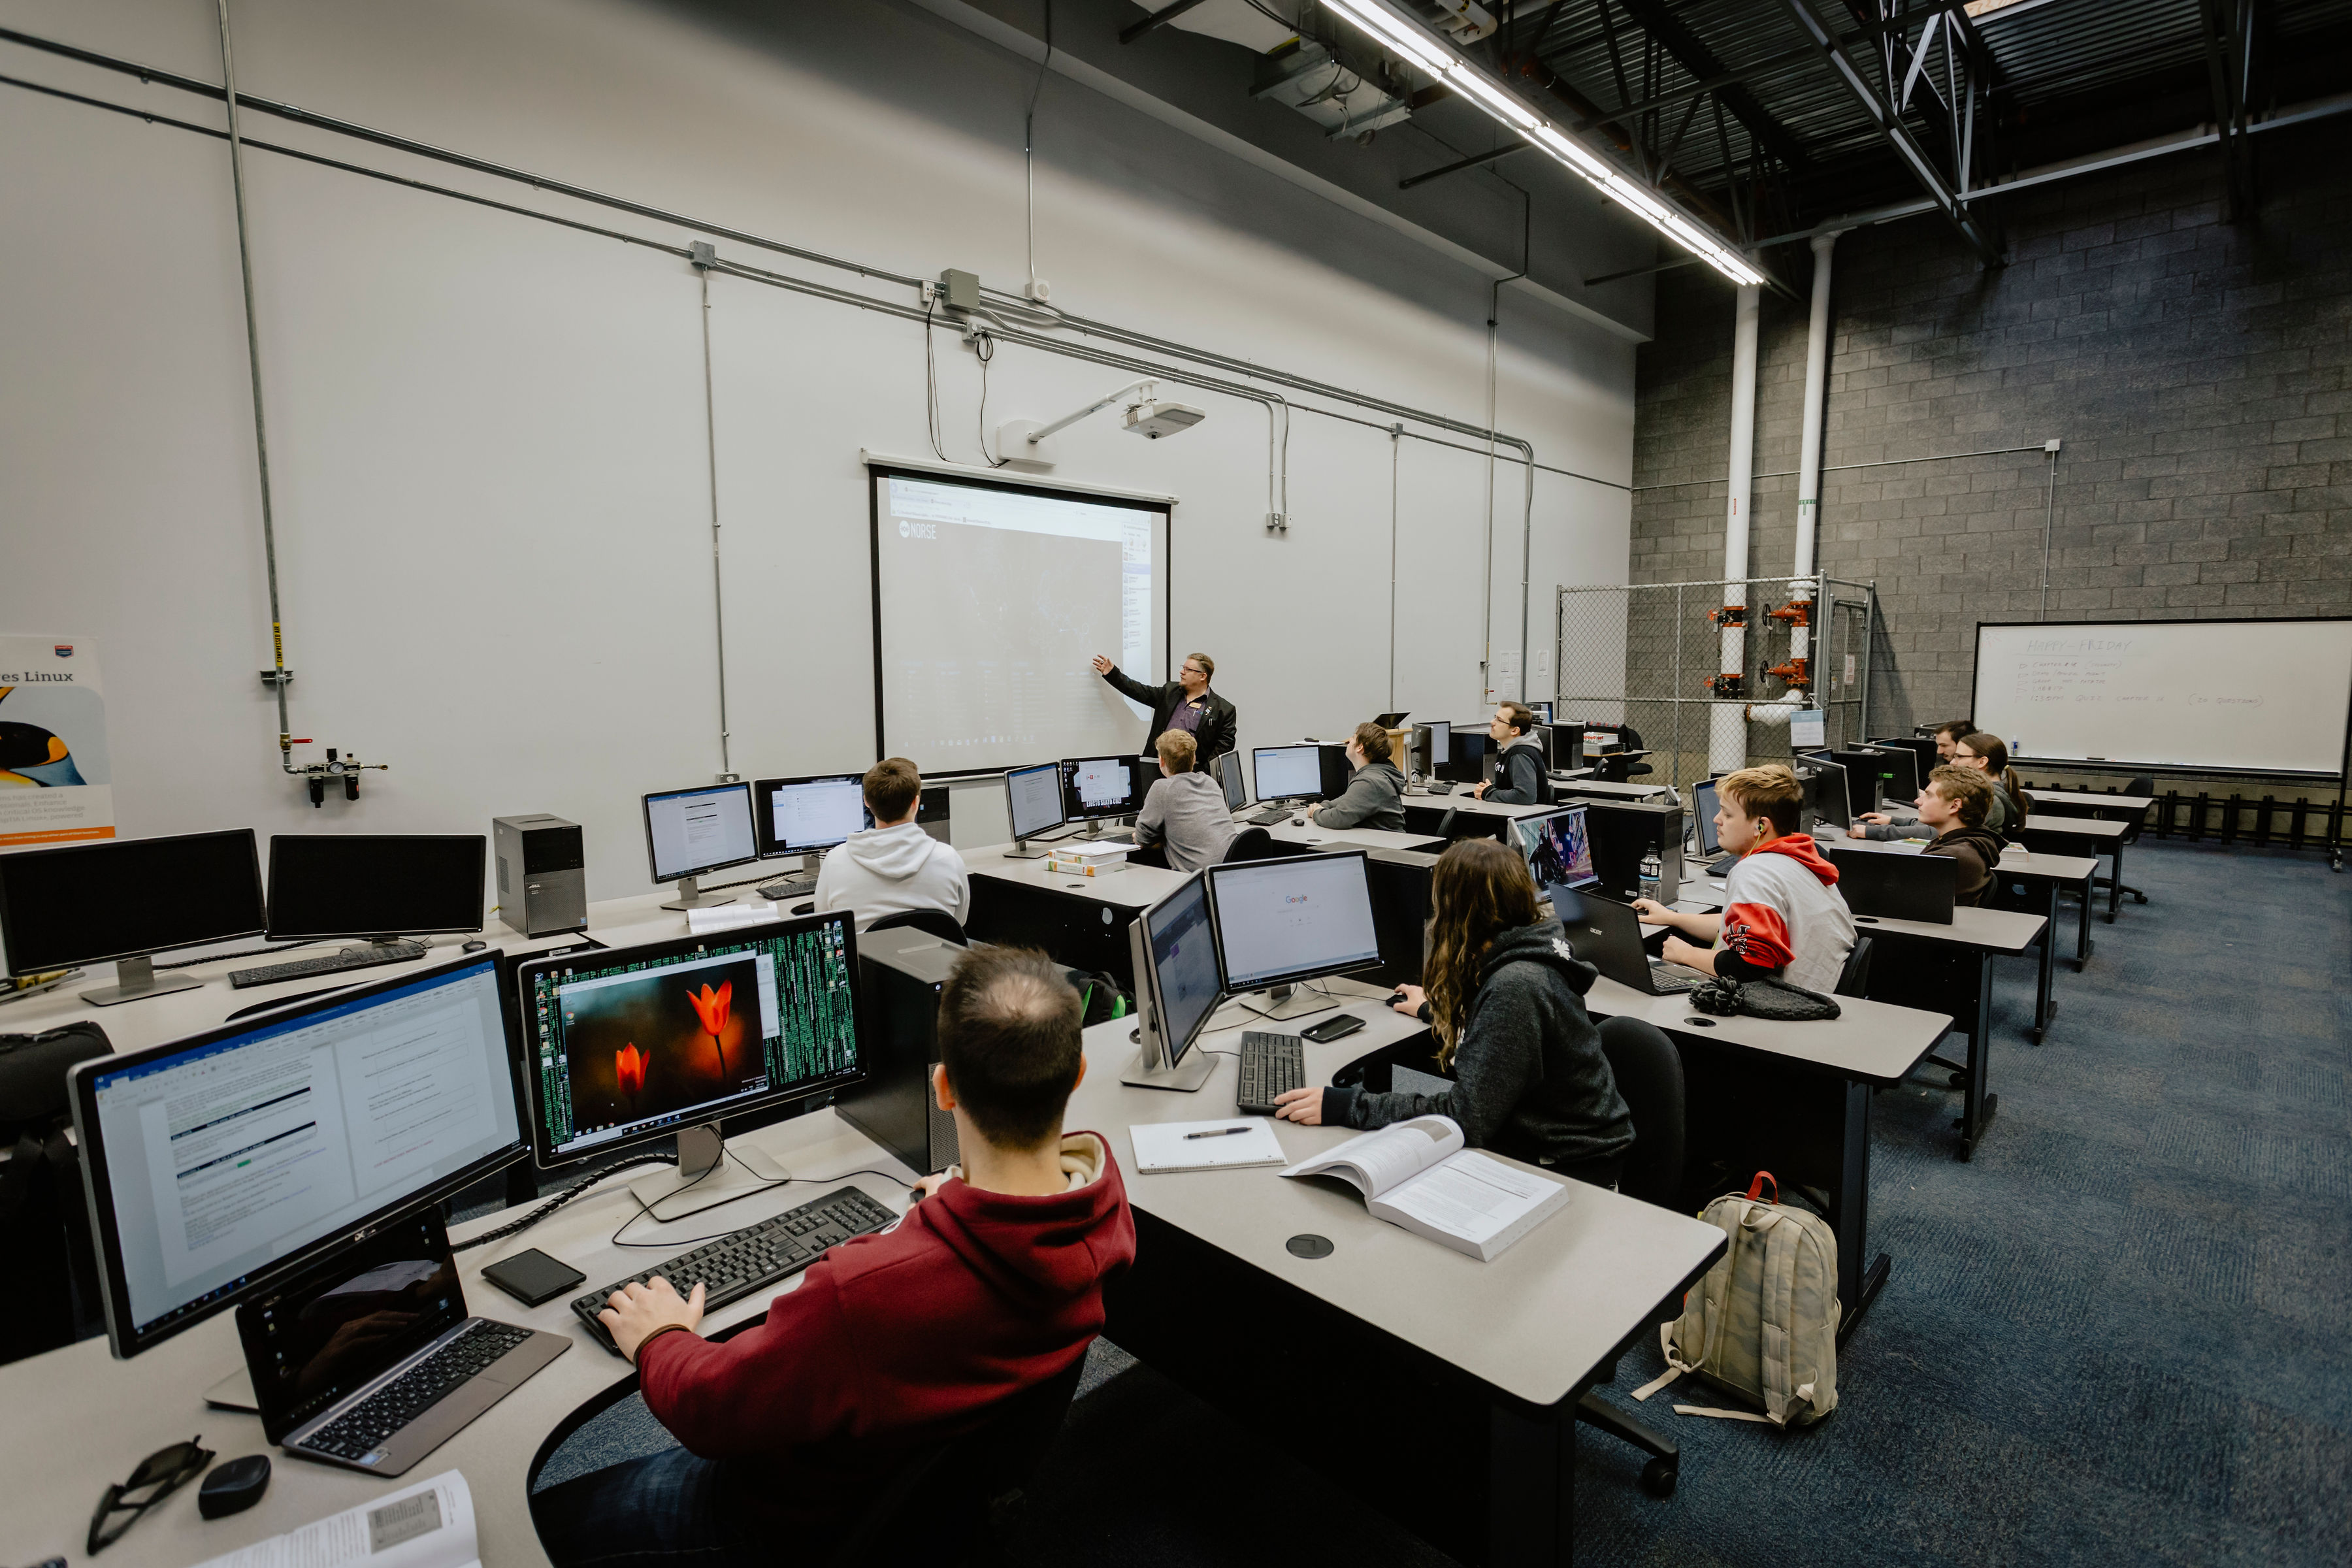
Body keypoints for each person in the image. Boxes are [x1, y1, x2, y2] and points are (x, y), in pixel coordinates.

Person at [533, 946, 1135, 1567]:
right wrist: (960, 1200)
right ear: (1078, 1073)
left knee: (541, 1522)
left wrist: (658, 1337)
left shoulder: (861, 1292)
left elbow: (707, 1412)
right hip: (933, 1503)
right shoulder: (1098, 1209)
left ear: (943, 1088)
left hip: (787, 1517)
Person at [1270, 838, 1633, 1188]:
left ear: (1459, 911)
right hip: (1549, 1137)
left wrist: (1349, 1106)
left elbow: (1468, 1116)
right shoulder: (1526, 950)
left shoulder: (1516, 986)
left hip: (1568, 1166)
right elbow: (1504, 1038)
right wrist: (1435, 1011)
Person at [1635, 763, 1855, 996]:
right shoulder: (1799, 858)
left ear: (1761, 826)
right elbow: (1736, 928)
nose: (1717, 819)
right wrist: (1672, 918)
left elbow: (1751, 967)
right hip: (1821, 992)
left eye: (1727, 814)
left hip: (1787, 998)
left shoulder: (1755, 872)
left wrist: (1686, 954)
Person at [814, 757, 971, 930]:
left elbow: (823, 921)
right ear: (916, 802)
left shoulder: (836, 860)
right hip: (935, 949)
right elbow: (959, 922)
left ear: (866, 801)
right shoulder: (948, 858)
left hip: (867, 950)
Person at [1851, 723, 2019, 840]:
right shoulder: (1985, 793)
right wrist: (1892, 820)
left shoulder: (1990, 800)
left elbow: (1935, 832)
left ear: (1982, 762)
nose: (1953, 763)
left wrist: (1874, 832)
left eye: (1959, 757)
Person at [1090, 650, 1235, 766]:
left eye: (1187, 669)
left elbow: (1224, 746)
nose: (1182, 672)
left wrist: (1202, 772)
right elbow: (1139, 691)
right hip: (1157, 766)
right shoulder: (1170, 692)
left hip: (1192, 773)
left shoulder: (1223, 709)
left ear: (1203, 676)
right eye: (1183, 668)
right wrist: (1113, 674)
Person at [1133, 730, 1235, 872]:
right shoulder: (1209, 782)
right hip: (1228, 871)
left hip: (1197, 878)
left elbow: (1143, 839)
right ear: (1194, 759)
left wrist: (1140, 836)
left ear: (1161, 761)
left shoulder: (1162, 788)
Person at [1914, 766, 2006, 907]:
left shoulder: (1949, 857)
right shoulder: (1968, 842)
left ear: (1954, 806)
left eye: (1929, 795)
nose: (1918, 801)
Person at [1308, 722, 1407, 831]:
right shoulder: (1376, 774)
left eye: (1354, 738)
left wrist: (1316, 812)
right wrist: (1326, 805)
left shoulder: (1369, 781)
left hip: (1383, 841)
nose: (1350, 740)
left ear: (1360, 747)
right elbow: (1350, 798)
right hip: (1378, 838)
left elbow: (1338, 819)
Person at [1468, 702, 1553, 806]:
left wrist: (1488, 793)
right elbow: (1506, 785)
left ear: (1514, 730)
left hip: (1525, 815)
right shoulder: (1507, 750)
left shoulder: (1520, 755)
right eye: (1495, 717)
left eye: (1499, 720)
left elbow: (1525, 796)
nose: (1492, 722)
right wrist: (1487, 788)